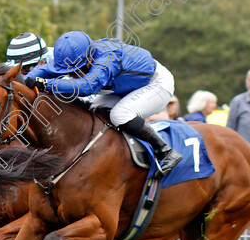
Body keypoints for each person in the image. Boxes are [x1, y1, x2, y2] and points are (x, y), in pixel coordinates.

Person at [24, 31, 182, 175]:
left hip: (156, 84)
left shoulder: (106, 59)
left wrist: (46, 84)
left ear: (90, 59)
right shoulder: (81, 55)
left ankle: (165, 151)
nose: (71, 76)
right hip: (126, 88)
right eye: (68, 72)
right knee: (92, 109)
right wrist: (20, 82)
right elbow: (44, 71)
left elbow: (86, 87)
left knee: (120, 115)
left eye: (75, 71)